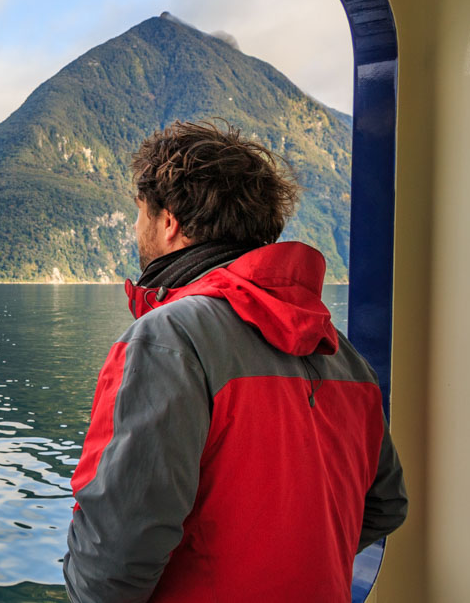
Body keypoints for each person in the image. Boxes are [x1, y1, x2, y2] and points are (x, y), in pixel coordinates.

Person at [64, 120, 407, 602]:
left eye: (139, 214)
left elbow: (112, 563)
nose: (134, 227)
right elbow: (386, 506)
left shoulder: (168, 339)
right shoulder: (342, 354)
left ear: (169, 222)